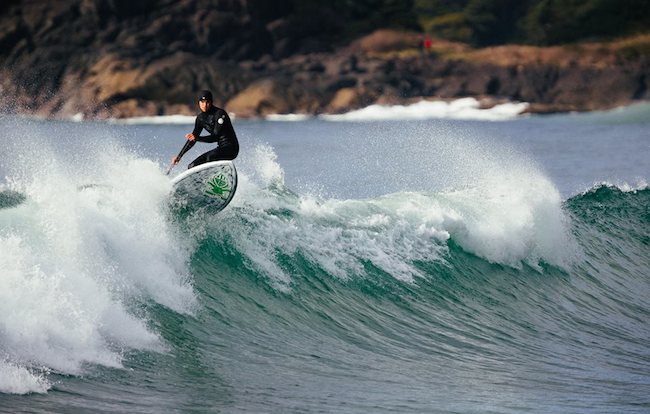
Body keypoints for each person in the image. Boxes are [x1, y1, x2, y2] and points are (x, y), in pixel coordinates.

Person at [171, 90, 239, 169]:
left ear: (211, 102)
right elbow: (192, 139)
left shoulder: (219, 114)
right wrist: (179, 156)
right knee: (192, 166)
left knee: (209, 158)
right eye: (202, 102)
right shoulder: (200, 119)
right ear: (198, 102)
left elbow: (215, 137)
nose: (205, 105)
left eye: (207, 102)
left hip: (231, 149)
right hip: (220, 149)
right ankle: (204, 180)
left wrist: (197, 138)